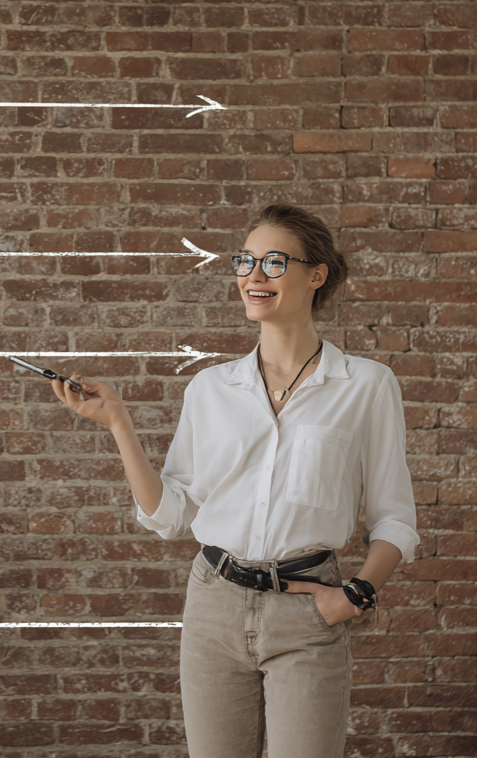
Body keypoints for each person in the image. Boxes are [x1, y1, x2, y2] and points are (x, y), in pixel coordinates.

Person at [51, 203, 419, 758]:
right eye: (245, 261)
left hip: (308, 610)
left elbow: (395, 516)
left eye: (274, 262)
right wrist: (118, 423)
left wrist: (355, 595)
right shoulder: (210, 388)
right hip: (213, 606)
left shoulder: (366, 384)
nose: (253, 275)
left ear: (316, 275)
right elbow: (174, 515)